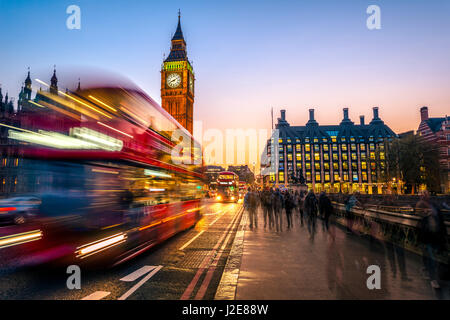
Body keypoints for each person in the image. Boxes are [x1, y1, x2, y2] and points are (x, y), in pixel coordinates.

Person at [416, 193, 448, 289]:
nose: (425, 196)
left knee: (436, 258)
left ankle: (433, 275)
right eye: (423, 195)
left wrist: (444, 234)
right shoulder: (421, 206)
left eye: (426, 194)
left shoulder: (434, 206)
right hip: (428, 237)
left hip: (436, 236)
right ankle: (433, 279)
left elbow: (441, 221)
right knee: (431, 259)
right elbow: (418, 215)